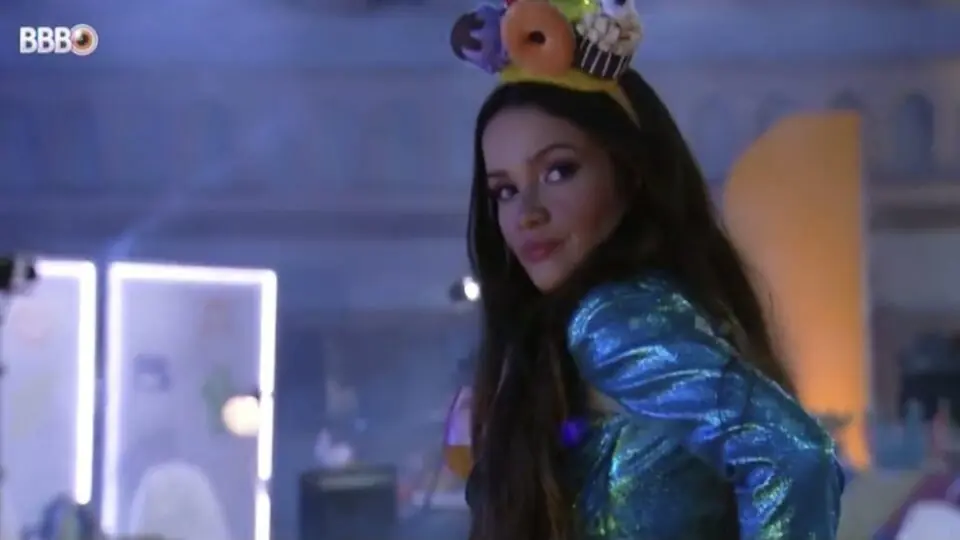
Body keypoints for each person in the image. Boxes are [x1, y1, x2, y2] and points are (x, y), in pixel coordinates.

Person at [445, 0, 845, 539]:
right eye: (505, 190)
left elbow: (794, 457)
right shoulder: (664, 303)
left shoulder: (613, 319)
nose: (527, 213)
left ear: (629, 173)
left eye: (559, 171)